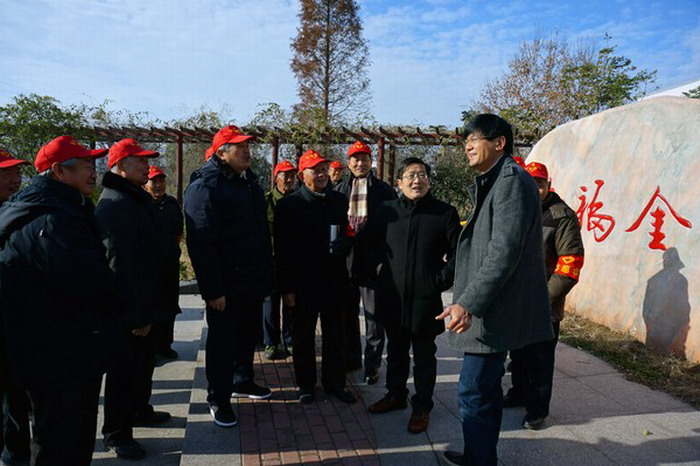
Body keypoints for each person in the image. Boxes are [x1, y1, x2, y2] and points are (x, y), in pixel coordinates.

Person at [436, 114, 554, 466]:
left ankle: (480, 459)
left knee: (474, 390)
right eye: (465, 141)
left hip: (494, 311)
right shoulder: (497, 179)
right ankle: (479, 454)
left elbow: (504, 251)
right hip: (492, 308)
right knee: (481, 390)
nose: (467, 146)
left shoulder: (511, 182)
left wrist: (468, 303)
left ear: (499, 142)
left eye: (474, 139)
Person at [0, 136, 121, 465]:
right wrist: (119, 302)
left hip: (59, 349)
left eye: (94, 165)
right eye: (85, 166)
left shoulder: (61, 208)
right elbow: (87, 281)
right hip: (58, 357)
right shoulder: (51, 219)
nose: (94, 172)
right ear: (59, 171)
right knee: (62, 444)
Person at [363, 157, 461, 434]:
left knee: (424, 357)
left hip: (425, 300)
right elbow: (368, 245)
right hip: (392, 297)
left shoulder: (444, 213)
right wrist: (376, 276)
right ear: (399, 182)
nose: (417, 180)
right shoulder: (387, 212)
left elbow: (458, 252)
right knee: (395, 352)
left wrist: (441, 280)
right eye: (410, 175)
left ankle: (422, 406)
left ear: (429, 180)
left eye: (422, 175)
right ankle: (395, 395)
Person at [184, 125, 274, 428]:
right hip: (225, 286)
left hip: (250, 281)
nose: (248, 151)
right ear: (222, 153)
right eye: (240, 147)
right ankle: (218, 398)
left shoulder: (248, 183)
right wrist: (213, 290)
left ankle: (242, 380)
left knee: (247, 337)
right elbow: (201, 244)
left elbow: (260, 235)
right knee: (222, 344)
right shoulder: (206, 187)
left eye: (248, 146)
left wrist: (264, 277)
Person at [97, 138, 170, 460]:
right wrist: (136, 314)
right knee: (124, 371)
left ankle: (140, 410)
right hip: (130, 309)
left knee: (142, 365)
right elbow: (121, 265)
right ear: (120, 165)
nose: (146, 165)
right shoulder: (115, 205)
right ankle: (116, 433)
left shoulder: (133, 199)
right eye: (139, 160)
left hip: (146, 301)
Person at [503, 161, 584, 429]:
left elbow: (570, 264)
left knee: (539, 358)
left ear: (548, 185)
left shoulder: (561, 216)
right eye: (530, 183)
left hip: (544, 302)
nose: (535, 189)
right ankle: (518, 393)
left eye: (540, 184)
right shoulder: (517, 209)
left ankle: (537, 410)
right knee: (518, 354)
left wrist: (543, 301)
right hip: (516, 299)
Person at [274, 150, 356, 405]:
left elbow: (348, 230)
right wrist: (287, 289)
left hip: (334, 280)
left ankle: (335, 384)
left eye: (323, 170)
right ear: (302, 175)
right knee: (303, 336)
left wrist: (345, 243)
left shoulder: (338, 200)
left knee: (336, 335)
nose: (321, 174)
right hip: (303, 283)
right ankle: (305, 385)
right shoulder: (288, 206)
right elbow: (282, 251)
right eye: (315, 170)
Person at [334, 141, 397, 384]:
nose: (360, 163)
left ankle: (372, 366)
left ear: (371, 162)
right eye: (355, 159)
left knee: (374, 320)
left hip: (373, 265)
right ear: (349, 162)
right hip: (346, 264)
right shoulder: (340, 190)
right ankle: (351, 358)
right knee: (347, 316)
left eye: (364, 159)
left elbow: (393, 227)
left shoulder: (384, 191)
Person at [0, 147, 31, 466]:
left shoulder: (19, 210)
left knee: (16, 391)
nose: (15, 178)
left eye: (17, 172)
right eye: (6, 173)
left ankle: (16, 450)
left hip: (18, 319)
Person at [144, 166, 184, 360]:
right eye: (154, 181)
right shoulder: (142, 205)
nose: (158, 185)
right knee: (154, 307)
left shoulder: (171, 204)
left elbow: (179, 231)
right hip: (150, 268)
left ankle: (165, 344)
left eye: (161, 180)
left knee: (170, 305)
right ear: (146, 183)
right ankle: (152, 347)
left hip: (170, 265)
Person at [263, 160, 296, 360]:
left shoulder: (299, 201)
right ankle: (271, 342)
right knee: (270, 305)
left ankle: (290, 340)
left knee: (291, 304)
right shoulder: (266, 202)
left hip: (292, 262)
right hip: (271, 261)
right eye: (285, 175)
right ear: (276, 178)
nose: (289, 179)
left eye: (292, 175)